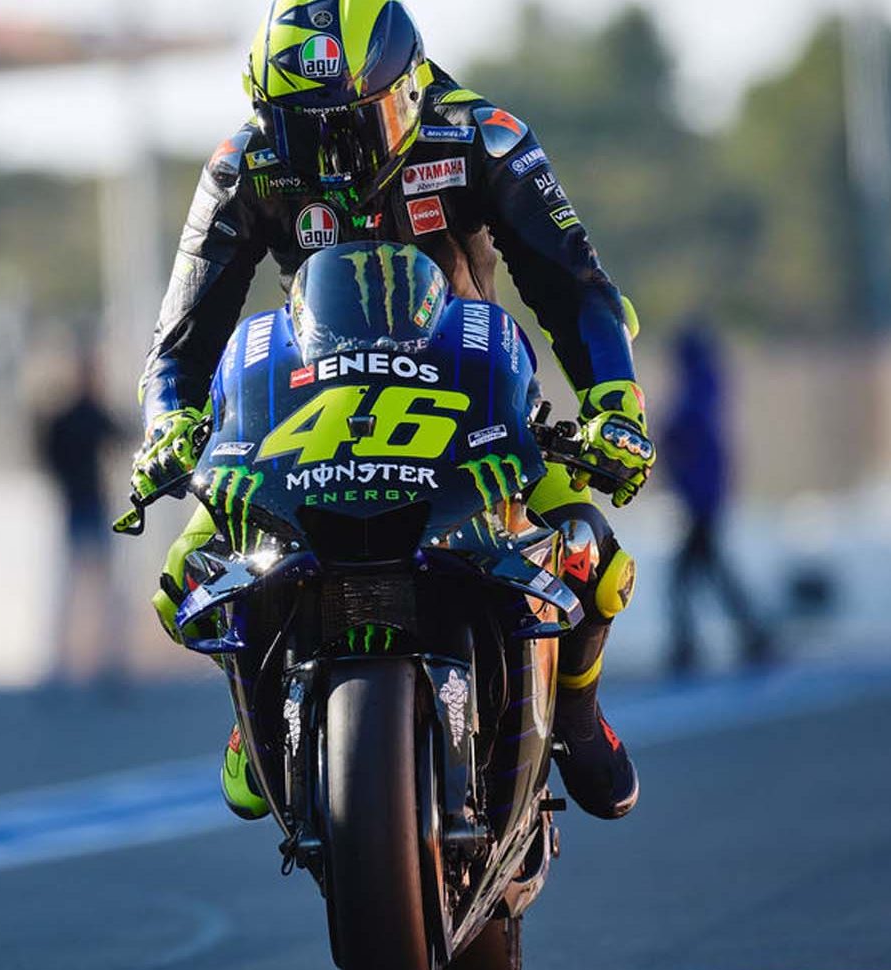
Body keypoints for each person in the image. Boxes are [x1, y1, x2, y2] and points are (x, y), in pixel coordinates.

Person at [130, 0, 652, 821]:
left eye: (352, 123)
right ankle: (253, 700)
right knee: (181, 581)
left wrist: (614, 405)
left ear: (409, 87)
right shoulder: (243, 164)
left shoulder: (487, 135)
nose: (331, 156)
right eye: (303, 130)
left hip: (470, 406)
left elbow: (576, 287)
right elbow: (180, 339)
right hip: (309, 417)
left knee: (593, 553)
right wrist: (169, 426)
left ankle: (578, 716)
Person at [662, 324, 773, 674]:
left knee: (685, 578)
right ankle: (752, 636)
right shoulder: (706, 392)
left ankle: (690, 646)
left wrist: (685, 482)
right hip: (705, 501)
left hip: (701, 503)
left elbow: (689, 448)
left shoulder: (695, 399)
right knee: (711, 573)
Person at [37, 358, 125, 688]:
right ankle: (90, 665)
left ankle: (99, 664)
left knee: (82, 591)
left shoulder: (74, 416)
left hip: (82, 508)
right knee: (82, 590)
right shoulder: (82, 416)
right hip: (82, 509)